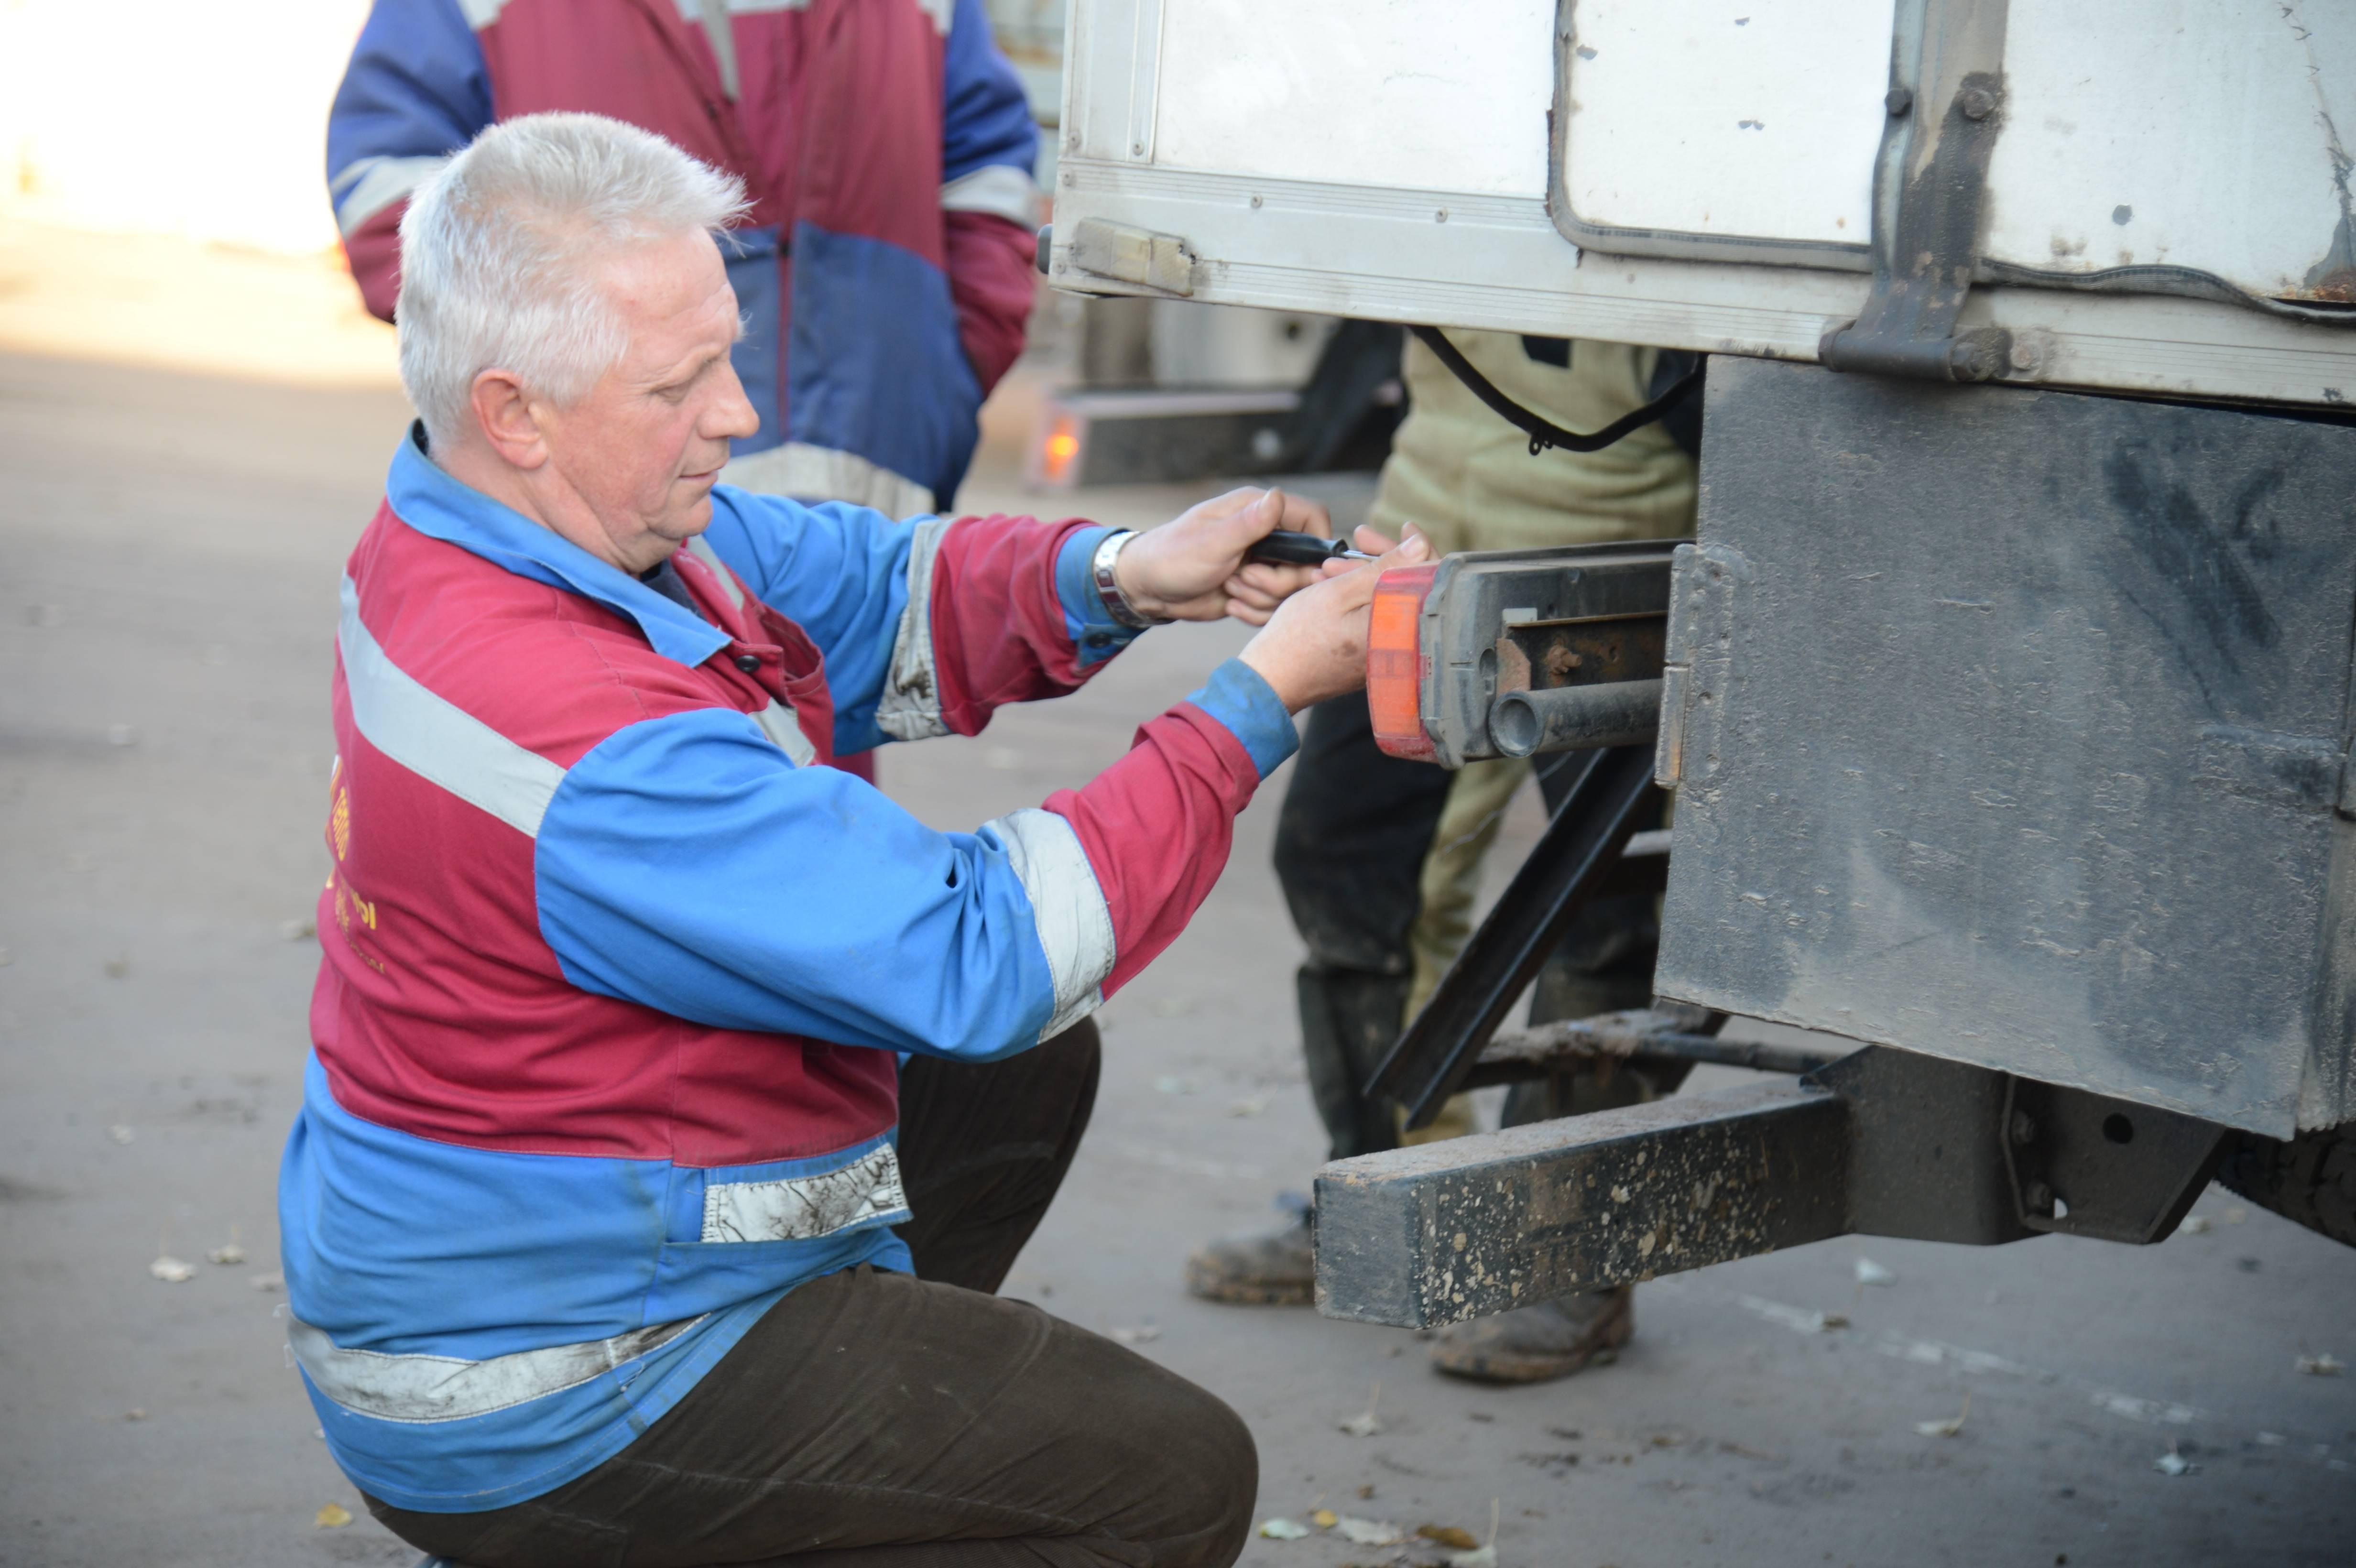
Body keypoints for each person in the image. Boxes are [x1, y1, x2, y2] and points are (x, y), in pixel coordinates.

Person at [281, 112, 1425, 1567]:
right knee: (1174, 1481)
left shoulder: (502, 525)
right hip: (540, 1382)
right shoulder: (578, 731)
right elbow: (987, 945)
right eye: (681, 383)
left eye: (726, 354)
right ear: (516, 408)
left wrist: (1129, 571)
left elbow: (869, 584)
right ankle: (722, 1501)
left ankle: (826, 1481)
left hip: (497, 1248)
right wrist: (1259, 704)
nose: (736, 414)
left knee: (1015, 1065)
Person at [1184, 327, 1702, 1386]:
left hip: (1616, 550)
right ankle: (1390, 1194)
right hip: (1418, 541)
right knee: (1338, 861)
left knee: (1603, 916)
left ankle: (1566, 1249)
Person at [325, 0, 1039, 521]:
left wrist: (948, 365)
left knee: (819, 715)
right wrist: (544, 359)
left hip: (871, 489)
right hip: (595, 523)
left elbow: (988, 167)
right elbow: (387, 184)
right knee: (596, 716)